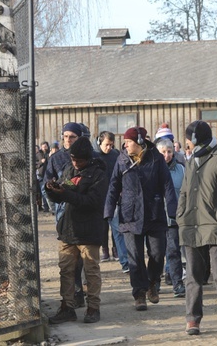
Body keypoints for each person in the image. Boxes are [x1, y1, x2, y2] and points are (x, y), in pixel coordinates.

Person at [177, 120, 217, 337]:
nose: (187, 144)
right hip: (191, 227)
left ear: (196, 140)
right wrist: (181, 216)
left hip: (215, 227)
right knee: (193, 277)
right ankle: (192, 320)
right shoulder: (190, 161)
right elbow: (184, 192)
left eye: (189, 140)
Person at [103, 126, 177, 311]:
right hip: (130, 215)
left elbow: (167, 184)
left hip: (154, 213)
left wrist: (173, 210)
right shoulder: (121, 161)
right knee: (134, 257)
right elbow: (113, 186)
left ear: (139, 142)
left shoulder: (156, 158)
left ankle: (153, 283)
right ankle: (139, 293)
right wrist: (108, 211)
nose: (125, 145)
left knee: (157, 254)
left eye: (128, 142)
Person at [46, 137, 109, 324]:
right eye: (73, 159)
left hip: (89, 231)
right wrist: (52, 189)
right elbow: (65, 191)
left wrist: (65, 193)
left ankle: (93, 308)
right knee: (66, 270)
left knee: (91, 271)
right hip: (68, 229)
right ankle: (67, 306)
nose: (75, 163)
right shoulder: (71, 170)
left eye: (79, 160)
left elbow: (92, 202)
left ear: (87, 158)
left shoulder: (98, 175)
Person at [155, 137, 186, 298]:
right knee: (156, 253)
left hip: (175, 218)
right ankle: (154, 283)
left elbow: (186, 193)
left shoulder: (181, 170)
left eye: (169, 152)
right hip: (156, 218)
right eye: (163, 152)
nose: (166, 155)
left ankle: (177, 283)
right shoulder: (152, 169)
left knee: (174, 251)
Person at [95, 132, 120, 263]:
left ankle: (116, 249)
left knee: (115, 223)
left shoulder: (116, 155)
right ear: (99, 143)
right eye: (106, 145)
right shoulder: (95, 156)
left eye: (111, 145)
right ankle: (104, 249)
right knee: (103, 225)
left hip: (114, 193)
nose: (108, 148)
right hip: (100, 194)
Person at [36, 141, 51, 213]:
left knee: (48, 190)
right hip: (41, 175)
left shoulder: (49, 154)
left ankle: (49, 206)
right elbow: (34, 164)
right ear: (41, 147)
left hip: (49, 175)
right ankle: (45, 207)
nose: (44, 147)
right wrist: (41, 162)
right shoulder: (38, 154)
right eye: (43, 146)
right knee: (43, 191)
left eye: (45, 146)